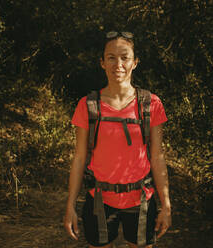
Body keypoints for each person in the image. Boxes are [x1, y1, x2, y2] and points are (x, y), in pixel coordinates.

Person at [64, 31, 171, 248]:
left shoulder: (151, 104)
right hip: (99, 201)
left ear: (135, 62)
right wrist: (70, 206)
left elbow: (157, 157)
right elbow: (79, 158)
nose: (118, 64)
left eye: (125, 57)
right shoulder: (88, 105)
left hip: (141, 200)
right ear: (102, 63)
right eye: (111, 57)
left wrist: (166, 205)